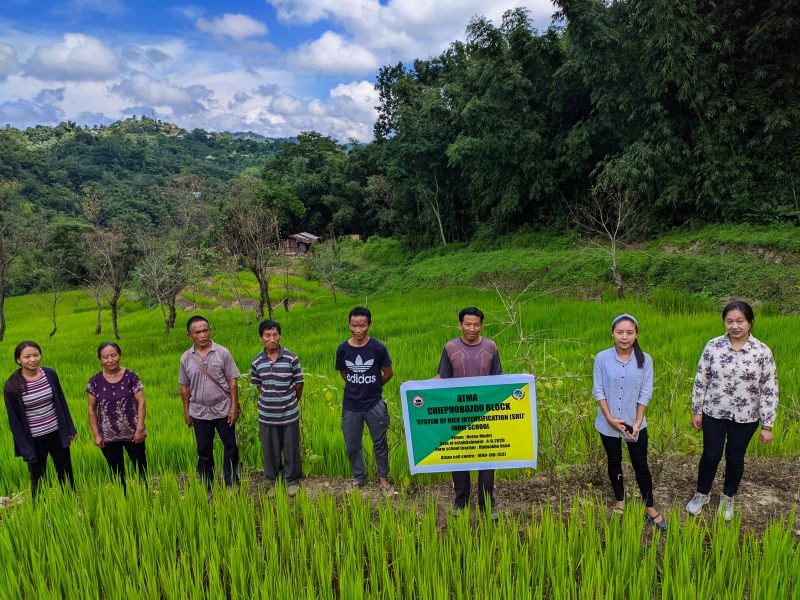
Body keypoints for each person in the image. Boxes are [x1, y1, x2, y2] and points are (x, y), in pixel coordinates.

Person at [686, 301, 778, 521]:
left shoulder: (762, 351)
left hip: (746, 417)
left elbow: (769, 388)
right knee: (711, 454)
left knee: (735, 458)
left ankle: (728, 496)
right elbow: (701, 379)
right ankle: (702, 493)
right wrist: (697, 410)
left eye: (740, 321)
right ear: (724, 322)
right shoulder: (713, 346)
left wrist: (767, 424)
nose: (735, 326)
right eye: (729, 321)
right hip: (714, 412)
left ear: (750, 322)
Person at [593, 314, 666, 531]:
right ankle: (619, 502)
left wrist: (637, 421)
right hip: (608, 423)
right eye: (620, 332)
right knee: (614, 462)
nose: (624, 337)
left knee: (640, 465)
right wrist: (609, 418)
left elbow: (645, 391)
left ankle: (649, 507)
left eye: (629, 332)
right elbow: (598, 390)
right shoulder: (602, 358)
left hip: (635, 424)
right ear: (612, 333)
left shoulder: (646, 360)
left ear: (636, 335)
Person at [436, 307, 502, 514]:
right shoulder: (450, 347)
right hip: (458, 412)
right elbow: (443, 378)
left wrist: (524, 383)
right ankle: (460, 501)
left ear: (481, 325)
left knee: (487, 457)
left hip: (484, 413)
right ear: (460, 325)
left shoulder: (491, 347)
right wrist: (412, 387)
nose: (471, 328)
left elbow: (499, 379)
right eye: (467, 324)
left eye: (476, 324)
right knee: (459, 456)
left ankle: (486, 503)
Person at [3, 341, 77, 499]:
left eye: (36, 355)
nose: (33, 359)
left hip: (56, 432)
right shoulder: (12, 385)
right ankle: (41, 510)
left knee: (66, 470)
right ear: (18, 360)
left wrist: (70, 428)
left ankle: (71, 501)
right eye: (27, 356)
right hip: (34, 438)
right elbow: (14, 421)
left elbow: (61, 401)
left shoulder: (50, 374)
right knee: (38, 477)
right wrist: (24, 446)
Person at [335, 306, 394, 493]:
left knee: (380, 443)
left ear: (369, 324)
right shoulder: (343, 349)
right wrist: (357, 385)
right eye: (354, 326)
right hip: (351, 404)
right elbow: (344, 373)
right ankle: (359, 476)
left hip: (374, 403)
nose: (358, 330)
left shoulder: (378, 348)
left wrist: (374, 386)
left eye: (362, 325)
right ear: (349, 325)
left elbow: (388, 373)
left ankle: (383, 477)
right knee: (352, 444)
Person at [179, 315, 241, 489]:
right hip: (199, 411)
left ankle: (232, 483)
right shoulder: (186, 358)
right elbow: (185, 387)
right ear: (189, 335)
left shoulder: (223, 352)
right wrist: (187, 411)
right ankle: (208, 486)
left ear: (210, 331)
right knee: (204, 451)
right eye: (197, 332)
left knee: (231, 447)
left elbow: (233, 382)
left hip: (223, 409)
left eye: (205, 330)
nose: (202, 335)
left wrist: (234, 408)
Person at [250, 319, 304, 496]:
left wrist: (290, 401)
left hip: (289, 413)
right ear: (261, 338)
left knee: (291, 448)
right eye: (267, 335)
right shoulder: (257, 361)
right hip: (266, 414)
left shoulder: (291, 357)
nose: (272, 339)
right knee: (270, 449)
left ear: (279, 336)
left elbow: (299, 383)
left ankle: (292, 480)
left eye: (275, 335)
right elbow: (259, 386)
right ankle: (274, 481)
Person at [87, 342, 147, 490]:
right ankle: (123, 501)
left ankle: (145, 500)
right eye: (105, 357)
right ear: (100, 360)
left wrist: (140, 428)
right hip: (108, 435)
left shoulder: (130, 376)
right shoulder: (95, 381)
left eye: (113, 355)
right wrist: (96, 435)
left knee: (141, 470)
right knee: (116, 473)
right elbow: (91, 409)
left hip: (133, 433)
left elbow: (141, 402)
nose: (110, 360)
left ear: (119, 355)